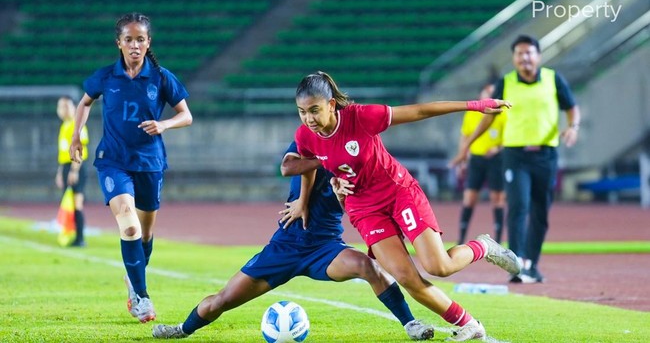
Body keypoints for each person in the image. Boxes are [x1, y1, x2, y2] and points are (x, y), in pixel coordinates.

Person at [287, 71, 521, 341]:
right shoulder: (305, 135)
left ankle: (484, 247)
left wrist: (473, 105)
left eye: (314, 110)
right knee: (405, 276)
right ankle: (470, 324)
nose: (309, 119)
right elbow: (307, 167)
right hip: (364, 209)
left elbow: (420, 111)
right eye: (302, 112)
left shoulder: (361, 117)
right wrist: (303, 200)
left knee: (438, 266)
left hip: (397, 192)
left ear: (331, 105)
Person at [151, 142, 435, 341]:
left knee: (369, 267)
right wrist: (302, 200)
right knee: (222, 300)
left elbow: (355, 202)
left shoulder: (356, 160)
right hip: (285, 245)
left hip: (325, 247)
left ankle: (410, 323)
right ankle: (182, 329)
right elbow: (289, 167)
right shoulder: (306, 141)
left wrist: (341, 193)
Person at [69, 12, 193, 323]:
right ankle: (142, 298)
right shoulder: (106, 77)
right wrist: (76, 137)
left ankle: (132, 277)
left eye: (140, 39)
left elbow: (186, 115)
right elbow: (84, 102)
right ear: (119, 43)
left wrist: (164, 124)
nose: (134, 45)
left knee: (146, 234)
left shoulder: (162, 77)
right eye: (129, 40)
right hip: (112, 160)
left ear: (148, 42)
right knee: (129, 226)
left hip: (150, 162)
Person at [457, 35, 580, 284]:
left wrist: (573, 126)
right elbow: (489, 116)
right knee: (518, 205)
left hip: (546, 154)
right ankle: (516, 265)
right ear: (514, 59)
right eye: (519, 54)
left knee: (540, 210)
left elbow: (571, 107)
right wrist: (467, 146)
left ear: (538, 56)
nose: (524, 57)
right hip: (515, 155)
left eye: (529, 53)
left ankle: (532, 264)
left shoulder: (553, 79)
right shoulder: (506, 82)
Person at [449, 83, 506, 245]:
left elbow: (509, 138)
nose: (488, 95)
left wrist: (497, 148)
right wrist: (462, 159)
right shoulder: (472, 114)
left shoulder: (502, 114)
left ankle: (499, 240)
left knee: (498, 199)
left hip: (496, 160)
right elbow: (464, 137)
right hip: (476, 160)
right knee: (469, 199)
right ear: (480, 95)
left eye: (492, 93)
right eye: (486, 92)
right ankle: (461, 238)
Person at [55, 95, 90, 247]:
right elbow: (63, 152)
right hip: (66, 167)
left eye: (66, 106)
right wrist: (60, 172)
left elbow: (79, 150)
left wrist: (74, 170)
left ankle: (80, 238)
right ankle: (72, 234)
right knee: (68, 202)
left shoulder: (78, 124)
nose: (63, 109)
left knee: (77, 203)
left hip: (76, 167)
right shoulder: (64, 126)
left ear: (74, 107)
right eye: (60, 106)